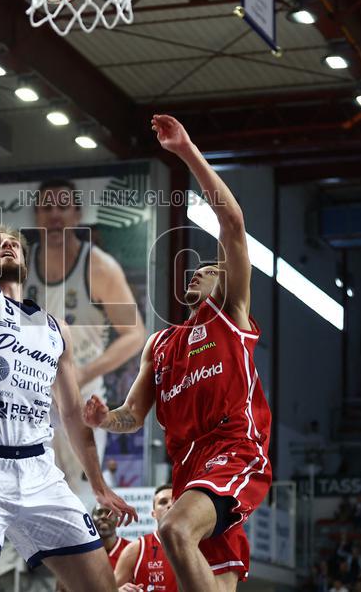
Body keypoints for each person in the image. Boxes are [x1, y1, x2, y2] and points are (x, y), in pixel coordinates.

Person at [0, 58, 136, 592]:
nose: (2, 243)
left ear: (23, 258)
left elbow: (71, 412)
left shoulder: (54, 330)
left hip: (41, 472)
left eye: (10, 242)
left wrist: (99, 485)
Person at [84, 114, 272, 591]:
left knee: (171, 529)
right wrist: (104, 418)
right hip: (189, 470)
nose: (197, 271)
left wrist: (187, 152)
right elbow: (133, 415)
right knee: (209, 576)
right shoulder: (160, 345)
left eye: (209, 268)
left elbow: (231, 221)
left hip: (234, 450)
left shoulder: (231, 313)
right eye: (195, 269)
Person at [24, 178, 146, 495]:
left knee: (77, 501)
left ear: (78, 215)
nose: (55, 215)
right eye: (46, 207)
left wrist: (85, 372)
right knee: (28, 495)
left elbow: (135, 333)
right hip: (30, 395)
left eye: (63, 207)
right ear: (36, 215)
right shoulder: (20, 267)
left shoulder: (99, 267)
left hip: (80, 396)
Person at [115, 484, 178, 592]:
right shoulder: (136, 549)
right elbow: (108, 589)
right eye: (163, 502)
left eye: (175, 501)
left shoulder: (202, 544)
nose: (170, 505)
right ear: (153, 514)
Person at [91, 503, 130, 570]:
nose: (103, 516)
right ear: (91, 520)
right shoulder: (83, 551)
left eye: (109, 513)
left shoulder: (130, 550)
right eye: (99, 513)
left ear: (118, 520)